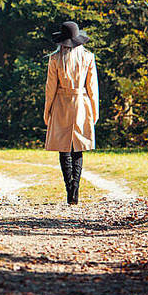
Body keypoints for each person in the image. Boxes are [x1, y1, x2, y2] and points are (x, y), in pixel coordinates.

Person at [44, 21, 99, 205]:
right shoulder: (88, 57)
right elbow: (92, 88)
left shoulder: (54, 59)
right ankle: (75, 188)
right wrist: (94, 109)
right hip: (82, 104)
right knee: (78, 148)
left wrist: (47, 110)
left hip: (61, 103)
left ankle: (70, 189)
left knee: (64, 148)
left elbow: (50, 89)